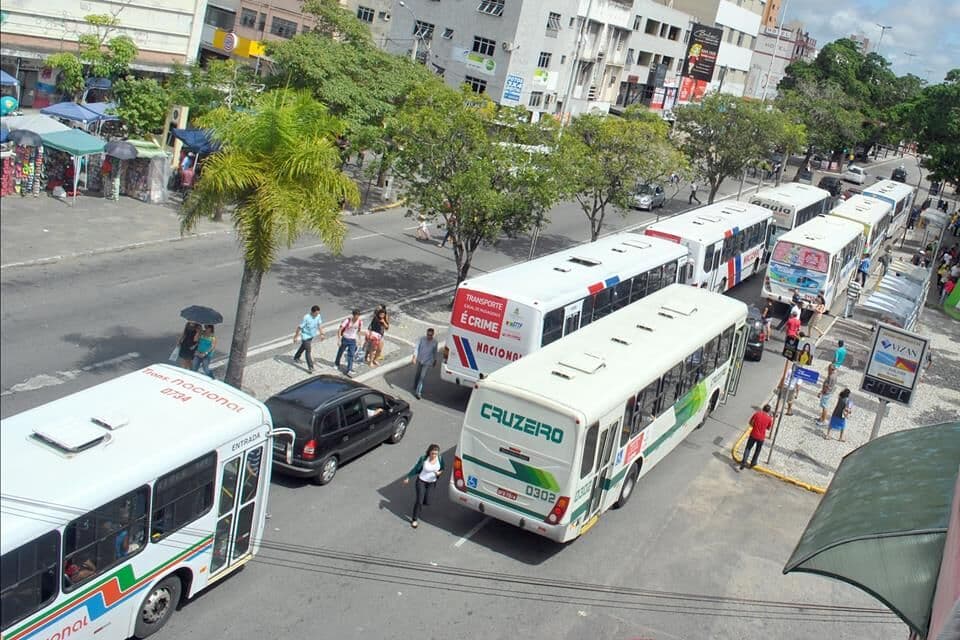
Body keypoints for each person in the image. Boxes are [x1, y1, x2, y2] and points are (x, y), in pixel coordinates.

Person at [403, 444, 444, 528]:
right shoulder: (424, 459)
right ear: (429, 452)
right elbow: (416, 468)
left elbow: (442, 468)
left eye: (436, 454)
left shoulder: (440, 459)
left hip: (432, 483)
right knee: (419, 501)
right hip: (421, 481)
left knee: (428, 501)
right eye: (432, 453)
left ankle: (420, 505)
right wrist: (408, 477)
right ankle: (414, 519)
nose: (434, 455)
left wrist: (439, 473)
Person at [737, 404, 773, 471]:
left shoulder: (757, 414)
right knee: (757, 450)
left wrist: (754, 426)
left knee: (748, 448)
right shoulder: (769, 418)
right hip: (761, 437)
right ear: (768, 411)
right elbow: (768, 428)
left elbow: (750, 422)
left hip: (753, 434)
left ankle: (744, 461)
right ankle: (753, 463)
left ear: (763, 408)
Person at [292, 305, 323, 374]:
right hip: (305, 336)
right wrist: (295, 337)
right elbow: (299, 327)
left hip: (311, 335)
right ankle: (310, 367)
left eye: (318, 313)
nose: (317, 315)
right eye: (316, 313)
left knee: (303, 347)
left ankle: (296, 357)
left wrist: (322, 334)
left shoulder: (318, 316)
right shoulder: (306, 317)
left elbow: (319, 325)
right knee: (308, 350)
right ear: (312, 312)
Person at [334, 309, 364, 377]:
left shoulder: (360, 322)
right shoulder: (347, 320)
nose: (357, 317)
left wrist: (360, 339)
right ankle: (336, 363)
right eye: (356, 316)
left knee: (351, 354)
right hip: (345, 338)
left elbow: (359, 331)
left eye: (358, 316)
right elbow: (340, 329)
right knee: (340, 351)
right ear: (353, 315)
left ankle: (349, 369)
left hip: (353, 340)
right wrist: (339, 340)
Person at [411, 327, 437, 400]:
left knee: (422, 377)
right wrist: (414, 357)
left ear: (433, 335)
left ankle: (418, 393)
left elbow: (435, 352)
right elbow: (416, 348)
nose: (429, 336)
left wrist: (435, 360)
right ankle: (415, 385)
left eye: (430, 335)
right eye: (428, 335)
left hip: (427, 362)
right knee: (418, 374)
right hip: (420, 360)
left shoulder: (435, 342)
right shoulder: (422, 339)